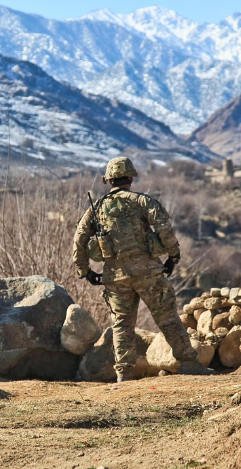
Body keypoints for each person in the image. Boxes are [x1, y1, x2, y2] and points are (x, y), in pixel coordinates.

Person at [72, 157, 214, 382]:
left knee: (122, 325)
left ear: (109, 180)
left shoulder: (97, 207)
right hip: (149, 273)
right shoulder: (142, 201)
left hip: (115, 277)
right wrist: (173, 255)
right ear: (130, 177)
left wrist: (84, 270)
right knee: (167, 318)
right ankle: (189, 363)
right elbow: (164, 227)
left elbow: (79, 238)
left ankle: (124, 373)